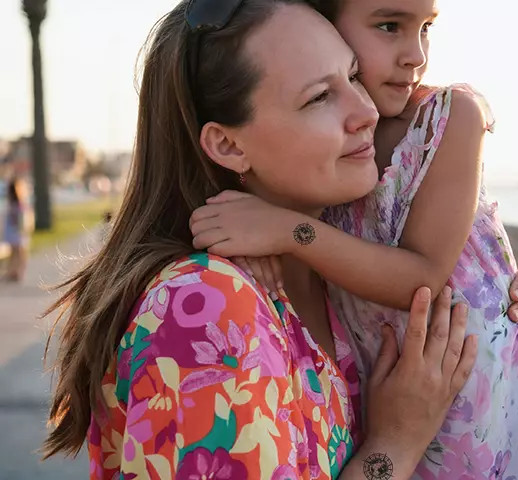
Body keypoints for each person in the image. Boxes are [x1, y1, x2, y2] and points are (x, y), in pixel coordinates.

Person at [42, 1, 481, 478]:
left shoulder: (324, 276)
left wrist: (502, 301)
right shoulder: (202, 307)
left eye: (353, 77)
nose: (367, 112)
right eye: (318, 98)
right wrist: (395, 443)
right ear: (229, 145)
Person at [190, 0, 518, 478]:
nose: (416, 54)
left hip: (488, 395)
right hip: (406, 409)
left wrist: (286, 233)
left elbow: (423, 277)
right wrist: (257, 238)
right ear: (326, 22)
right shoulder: (321, 160)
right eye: (389, 26)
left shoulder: (446, 118)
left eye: (426, 28)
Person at [2, 177, 32, 282]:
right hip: (18, 233)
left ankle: (12, 272)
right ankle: (16, 273)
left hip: (12, 233)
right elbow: (21, 221)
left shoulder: (11, 203)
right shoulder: (19, 204)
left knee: (14, 254)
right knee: (20, 255)